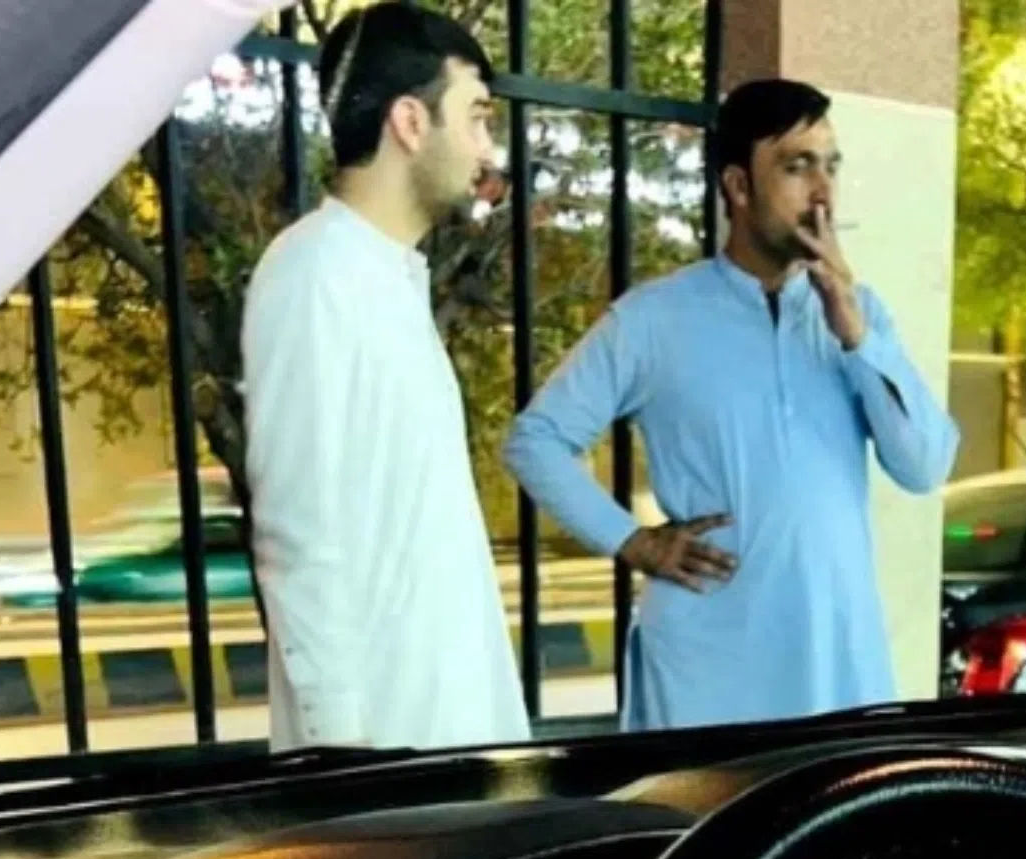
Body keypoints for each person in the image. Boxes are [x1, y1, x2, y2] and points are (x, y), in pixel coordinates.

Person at [503, 78, 958, 731]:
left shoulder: (859, 316)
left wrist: (856, 333)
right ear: (739, 186)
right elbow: (536, 439)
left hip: (835, 663)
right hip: (706, 674)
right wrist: (631, 541)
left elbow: (924, 466)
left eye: (830, 166)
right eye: (796, 167)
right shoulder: (655, 319)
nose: (822, 192)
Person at [242, 4, 528, 754]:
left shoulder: (387, 277)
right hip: (383, 752)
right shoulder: (314, 273)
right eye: (476, 118)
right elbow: (297, 530)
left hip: (442, 729)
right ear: (409, 122)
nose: (487, 149)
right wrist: (339, 751)